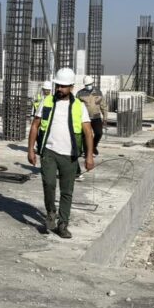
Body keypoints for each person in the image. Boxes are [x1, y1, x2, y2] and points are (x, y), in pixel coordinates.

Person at [27, 67, 95, 239]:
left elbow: (88, 132)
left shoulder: (79, 106)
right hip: (49, 152)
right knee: (48, 184)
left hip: (69, 155)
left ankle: (63, 224)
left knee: (67, 191)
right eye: (58, 85)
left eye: (63, 86)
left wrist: (89, 156)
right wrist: (30, 150)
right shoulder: (47, 102)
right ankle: (51, 212)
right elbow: (35, 126)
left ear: (71, 87)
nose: (59, 89)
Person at [76, 75, 107, 154]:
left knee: (99, 133)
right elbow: (76, 107)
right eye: (86, 85)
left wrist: (105, 117)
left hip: (96, 117)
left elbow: (103, 105)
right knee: (85, 135)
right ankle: (87, 152)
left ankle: (93, 146)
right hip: (85, 118)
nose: (88, 86)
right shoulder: (80, 93)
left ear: (92, 83)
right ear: (84, 85)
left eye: (89, 84)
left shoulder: (98, 92)